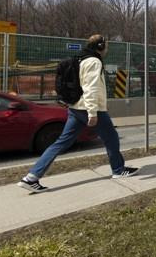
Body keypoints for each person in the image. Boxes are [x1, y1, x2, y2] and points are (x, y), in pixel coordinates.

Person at [17, 35, 139, 193]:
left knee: (61, 143)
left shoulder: (79, 59)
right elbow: (91, 88)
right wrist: (92, 112)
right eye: (106, 46)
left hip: (75, 108)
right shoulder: (94, 62)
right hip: (89, 108)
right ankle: (118, 169)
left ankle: (31, 177)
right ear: (100, 46)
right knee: (111, 138)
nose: (107, 49)